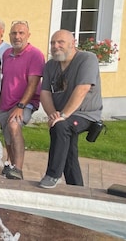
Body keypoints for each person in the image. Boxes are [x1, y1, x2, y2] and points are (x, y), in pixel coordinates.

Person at [39, 30, 102, 188]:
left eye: (60, 42)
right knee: (68, 148)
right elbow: (45, 93)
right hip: (62, 114)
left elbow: (82, 89)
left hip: (85, 114)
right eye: (53, 43)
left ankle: (53, 174)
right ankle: (76, 187)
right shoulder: (50, 65)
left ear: (73, 43)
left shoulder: (87, 59)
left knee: (61, 128)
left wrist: (63, 116)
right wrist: (53, 114)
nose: (55, 46)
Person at [0, 21, 44, 180]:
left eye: (21, 33)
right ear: (9, 35)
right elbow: (7, 79)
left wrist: (21, 106)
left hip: (25, 102)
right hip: (5, 102)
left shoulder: (35, 54)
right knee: (7, 135)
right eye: (14, 33)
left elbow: (33, 83)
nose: (17, 36)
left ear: (28, 35)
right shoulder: (7, 54)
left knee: (14, 125)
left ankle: (18, 169)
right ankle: (10, 163)